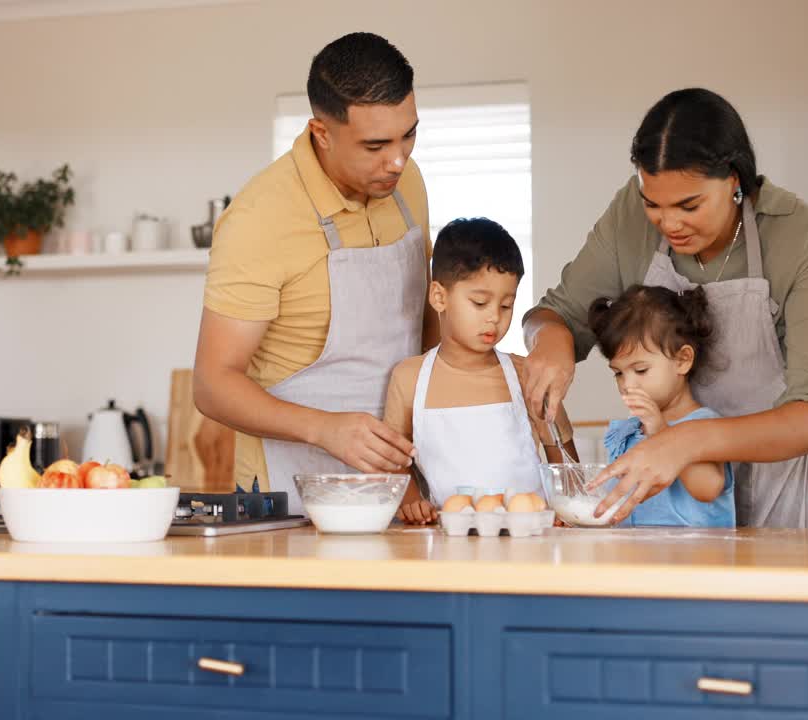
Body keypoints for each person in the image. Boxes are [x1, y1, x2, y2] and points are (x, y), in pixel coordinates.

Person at [522, 88, 808, 528]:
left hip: (784, 513)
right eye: (652, 204)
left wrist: (686, 441)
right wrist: (550, 343)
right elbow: (552, 314)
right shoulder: (630, 215)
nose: (669, 222)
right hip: (669, 529)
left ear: (734, 180)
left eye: (689, 205)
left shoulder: (801, 236)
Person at [193, 33, 437, 508]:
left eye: (409, 134)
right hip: (290, 493)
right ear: (321, 133)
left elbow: (425, 317)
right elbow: (212, 383)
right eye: (375, 145)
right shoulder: (259, 219)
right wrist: (324, 428)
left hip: (402, 483)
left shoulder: (407, 182)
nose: (398, 159)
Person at [385, 218, 575, 524]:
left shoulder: (526, 373)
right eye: (480, 302)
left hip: (530, 544)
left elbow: (564, 461)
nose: (493, 319)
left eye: (506, 306)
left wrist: (567, 509)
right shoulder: (409, 378)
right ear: (439, 297)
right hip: (449, 547)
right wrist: (411, 502)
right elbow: (392, 462)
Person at [588, 285, 734, 527]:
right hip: (636, 561)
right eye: (618, 373)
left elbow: (708, 488)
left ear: (682, 360)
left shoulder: (704, 425)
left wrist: (661, 431)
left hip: (696, 562)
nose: (627, 384)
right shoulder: (627, 433)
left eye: (641, 370)